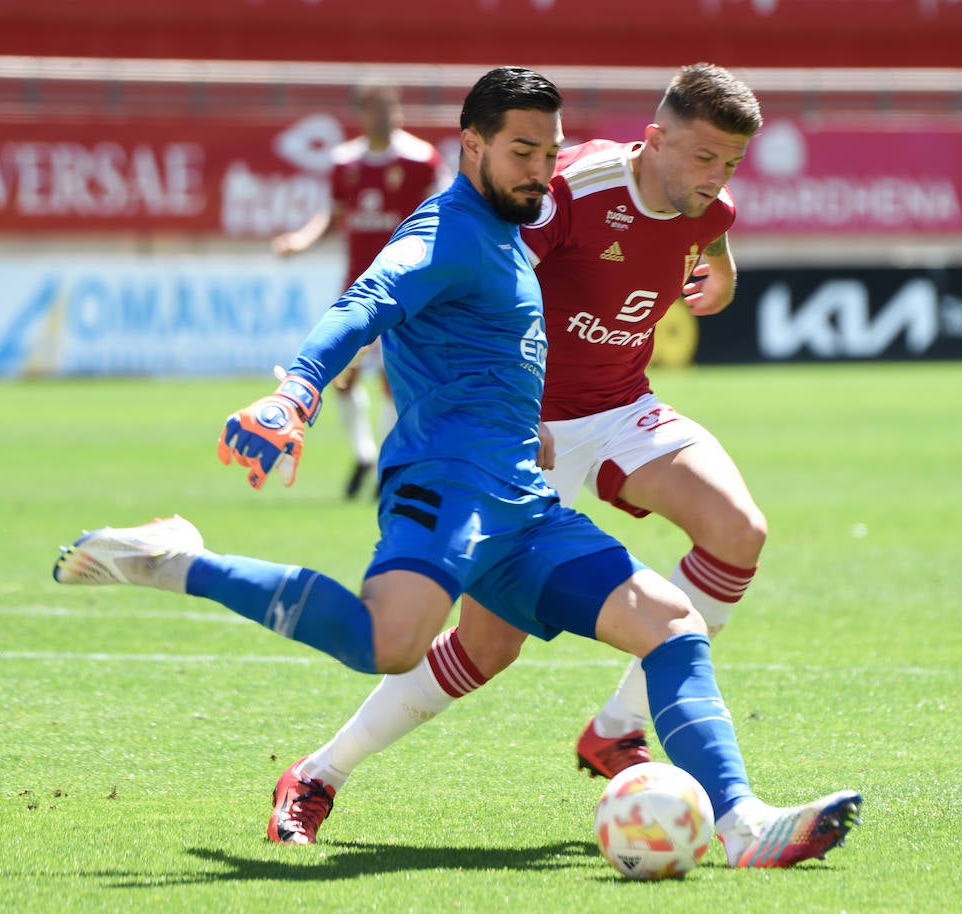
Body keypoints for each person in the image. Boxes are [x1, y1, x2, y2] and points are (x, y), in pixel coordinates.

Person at [53, 65, 861, 869]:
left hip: (526, 485)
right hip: (454, 485)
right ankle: (184, 565)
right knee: (399, 642)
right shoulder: (456, 230)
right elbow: (363, 304)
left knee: (671, 622)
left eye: (549, 151)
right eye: (523, 153)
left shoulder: (523, 218)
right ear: (471, 145)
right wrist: (295, 393)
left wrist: (710, 266)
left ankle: (741, 820)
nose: (543, 173)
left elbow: (694, 221)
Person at [268, 62, 774, 843]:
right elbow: (492, 270)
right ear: (654, 139)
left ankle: (617, 729)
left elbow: (713, 227)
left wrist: (725, 272)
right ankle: (318, 772)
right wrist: (510, 406)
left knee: (739, 531)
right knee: (486, 645)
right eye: (704, 159)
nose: (717, 178)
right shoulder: (573, 188)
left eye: (731, 164)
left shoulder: (710, 199)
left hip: (621, 408)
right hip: (526, 431)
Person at [272, 82, 451, 499]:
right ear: (361, 114)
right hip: (358, 289)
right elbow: (333, 217)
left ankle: (389, 465)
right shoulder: (345, 162)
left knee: (395, 378)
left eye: (390, 107)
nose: (385, 116)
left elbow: (446, 217)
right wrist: (301, 240)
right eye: (375, 108)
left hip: (409, 291)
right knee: (343, 378)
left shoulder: (422, 160)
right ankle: (364, 455)